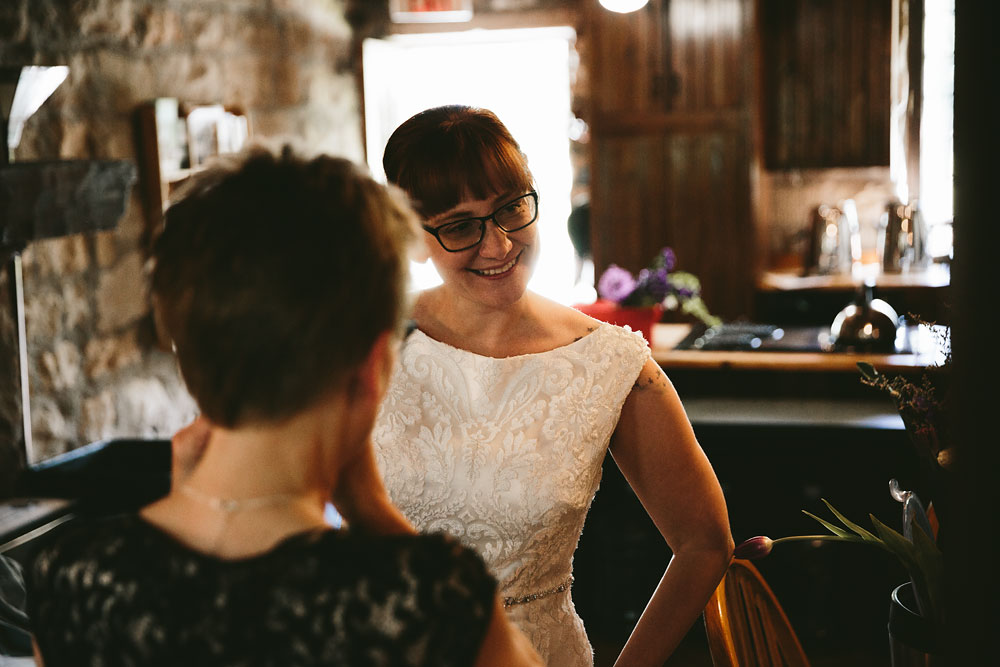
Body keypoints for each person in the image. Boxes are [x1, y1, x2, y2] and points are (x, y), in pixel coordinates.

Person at [25, 146, 541, 667]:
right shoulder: (424, 600)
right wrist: (377, 515)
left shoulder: (68, 576)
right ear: (368, 369)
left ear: (190, 355)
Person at [371, 106, 734, 666]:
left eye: (511, 208)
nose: (498, 246)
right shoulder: (362, 342)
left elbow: (705, 543)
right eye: (461, 225)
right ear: (413, 236)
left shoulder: (607, 362)